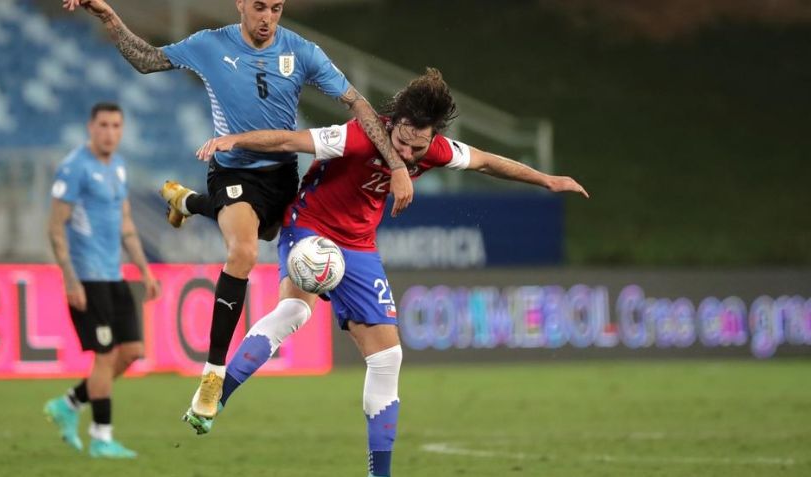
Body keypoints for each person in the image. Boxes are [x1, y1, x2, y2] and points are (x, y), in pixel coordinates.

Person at [177, 68, 588, 476]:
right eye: (402, 143)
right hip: (310, 227)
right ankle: (215, 394)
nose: (408, 155)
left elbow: (483, 162)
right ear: (393, 124)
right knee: (296, 312)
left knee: (388, 357)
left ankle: (380, 474)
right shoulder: (357, 136)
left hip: (359, 246)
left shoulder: (435, 148)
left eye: (418, 148)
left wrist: (546, 179)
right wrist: (234, 140)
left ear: (432, 136)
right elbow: (290, 140)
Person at [63, 0, 414, 421]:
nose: (268, 18)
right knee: (244, 251)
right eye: (260, 7)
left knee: (265, 234)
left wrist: (397, 165)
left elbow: (357, 103)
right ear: (241, 5)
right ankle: (213, 375)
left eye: (277, 8)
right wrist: (108, 17)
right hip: (232, 170)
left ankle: (186, 201)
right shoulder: (210, 45)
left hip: (283, 175)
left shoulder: (301, 51)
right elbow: (149, 61)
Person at [43, 102, 160, 458]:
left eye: (116, 126)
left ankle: (69, 403)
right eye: (104, 125)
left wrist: (144, 268)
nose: (110, 132)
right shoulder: (75, 167)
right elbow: (55, 227)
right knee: (105, 357)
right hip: (87, 278)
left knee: (132, 352)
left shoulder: (119, 168)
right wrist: (70, 279)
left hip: (114, 274)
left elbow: (126, 225)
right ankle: (101, 438)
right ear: (90, 127)